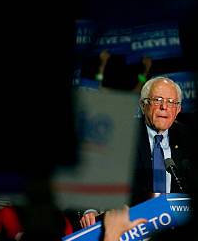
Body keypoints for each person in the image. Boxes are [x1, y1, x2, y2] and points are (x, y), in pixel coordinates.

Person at [80, 76, 191, 228]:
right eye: (158, 100)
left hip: (176, 227)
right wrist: (90, 210)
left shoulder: (190, 139)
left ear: (178, 110)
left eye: (171, 102)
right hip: (131, 228)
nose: (164, 107)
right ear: (143, 105)